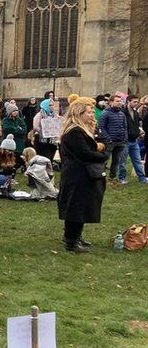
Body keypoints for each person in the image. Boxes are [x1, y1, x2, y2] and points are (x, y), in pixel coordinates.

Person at [58, 100, 107, 253]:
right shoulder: (74, 132)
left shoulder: (82, 130)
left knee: (83, 206)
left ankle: (76, 236)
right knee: (76, 207)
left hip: (83, 173)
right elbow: (84, 153)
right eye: (89, 112)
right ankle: (71, 241)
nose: (92, 115)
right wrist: (102, 155)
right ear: (79, 114)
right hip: (77, 174)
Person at [97, 94, 128, 184]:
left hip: (120, 141)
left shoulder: (121, 114)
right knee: (104, 161)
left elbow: (125, 127)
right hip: (109, 142)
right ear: (111, 102)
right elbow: (101, 128)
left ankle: (112, 178)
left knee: (116, 161)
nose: (119, 103)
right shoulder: (105, 113)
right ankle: (100, 178)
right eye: (117, 101)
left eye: (120, 101)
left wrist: (125, 138)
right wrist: (108, 139)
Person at [119, 96, 147, 183]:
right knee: (123, 162)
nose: (136, 103)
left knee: (137, 160)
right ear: (128, 101)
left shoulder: (135, 113)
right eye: (134, 102)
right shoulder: (122, 112)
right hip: (125, 141)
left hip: (134, 140)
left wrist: (139, 132)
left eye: (137, 102)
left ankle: (142, 178)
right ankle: (122, 178)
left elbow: (136, 125)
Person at [33, 93, 60, 160]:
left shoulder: (55, 115)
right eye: (50, 105)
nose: (52, 107)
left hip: (52, 139)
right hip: (41, 138)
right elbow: (35, 126)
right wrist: (46, 131)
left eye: (53, 105)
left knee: (50, 157)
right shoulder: (39, 115)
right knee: (44, 157)